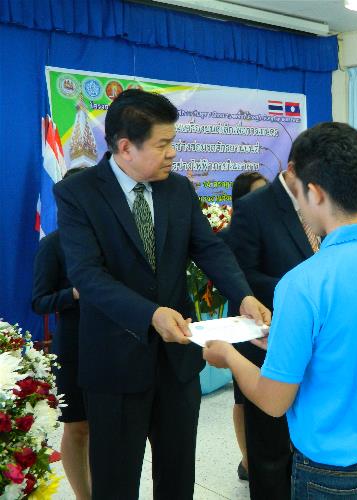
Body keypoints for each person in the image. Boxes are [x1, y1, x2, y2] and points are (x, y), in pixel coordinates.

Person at [53, 89, 270, 500]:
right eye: (162, 143)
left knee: (177, 477)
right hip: (115, 366)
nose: (173, 153)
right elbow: (88, 275)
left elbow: (209, 248)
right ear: (125, 147)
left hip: (177, 365)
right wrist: (151, 314)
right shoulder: (79, 194)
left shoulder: (178, 189)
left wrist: (242, 295)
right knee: (115, 483)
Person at [204, 122, 357, 499]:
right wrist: (289, 342)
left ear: (315, 193)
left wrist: (228, 356)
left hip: (336, 475)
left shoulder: (302, 283)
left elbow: (274, 400)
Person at [222, 163, 318, 498]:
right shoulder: (255, 206)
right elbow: (241, 275)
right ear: (293, 168)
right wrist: (302, 289)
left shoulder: (320, 200)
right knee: (270, 445)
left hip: (312, 335)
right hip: (266, 334)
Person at [31, 166, 90, 500]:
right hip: (74, 349)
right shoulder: (54, 245)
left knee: (107, 428)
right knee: (78, 426)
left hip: (112, 348)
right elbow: (39, 301)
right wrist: (74, 294)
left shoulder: (110, 241)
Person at [225, 170, 269, 483]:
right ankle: (247, 460)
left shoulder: (277, 230)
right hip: (243, 324)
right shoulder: (231, 236)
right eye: (257, 194)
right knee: (244, 397)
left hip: (273, 322)